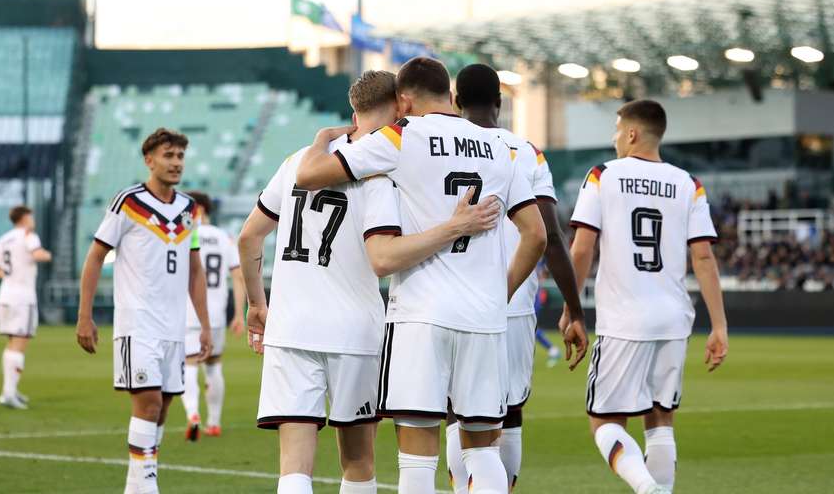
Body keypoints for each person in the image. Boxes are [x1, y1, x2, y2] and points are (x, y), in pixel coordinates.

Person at [239, 70, 501, 494]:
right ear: (400, 106)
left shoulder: (296, 163)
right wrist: (454, 227)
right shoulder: (381, 173)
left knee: (294, 469)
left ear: (353, 112)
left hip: (289, 329)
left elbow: (249, 237)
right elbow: (384, 256)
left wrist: (256, 304)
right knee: (358, 463)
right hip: (356, 333)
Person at [296, 57, 547, 494]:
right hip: (484, 318)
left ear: (404, 100)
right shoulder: (500, 147)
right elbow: (537, 235)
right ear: (450, 95)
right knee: (483, 450)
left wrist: (322, 140)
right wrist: (501, 293)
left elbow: (309, 175)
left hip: (421, 315)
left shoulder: (401, 136)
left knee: (417, 458)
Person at [568, 100, 729, 494]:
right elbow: (703, 257)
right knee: (660, 420)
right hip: (673, 319)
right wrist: (719, 325)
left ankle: (645, 487)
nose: (614, 138)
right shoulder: (689, 183)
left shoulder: (603, 175)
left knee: (604, 422)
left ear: (632, 133)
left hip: (625, 319)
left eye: (617, 130)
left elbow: (583, 248)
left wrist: (572, 309)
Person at [446, 63, 588, 492]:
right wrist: (575, 310)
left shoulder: (439, 145)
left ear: (455, 101)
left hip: (451, 301)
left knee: (457, 412)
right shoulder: (526, 153)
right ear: (499, 102)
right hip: (513, 301)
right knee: (509, 411)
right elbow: (551, 237)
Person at [76, 128, 212, 494]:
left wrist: (204, 325)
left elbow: (194, 270)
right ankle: (147, 486)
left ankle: (136, 486)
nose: (176, 163)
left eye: (180, 156)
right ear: (149, 160)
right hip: (137, 323)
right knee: (149, 403)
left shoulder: (189, 209)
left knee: (163, 408)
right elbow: (95, 257)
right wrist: (84, 315)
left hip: (174, 326)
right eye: (168, 156)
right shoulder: (128, 202)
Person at [180, 191, 245, 441]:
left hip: (188, 311)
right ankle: (214, 422)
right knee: (214, 364)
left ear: (196, 209)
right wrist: (238, 313)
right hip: (216, 314)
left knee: (188, 363)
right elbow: (238, 276)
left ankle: (193, 414)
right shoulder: (224, 238)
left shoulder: (184, 235)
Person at [0, 205, 52, 409]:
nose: (33, 220)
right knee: (19, 343)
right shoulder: (28, 235)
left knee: (12, 343)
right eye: (30, 216)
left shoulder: (3, 239)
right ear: (24, 218)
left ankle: (9, 390)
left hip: (5, 296)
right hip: (23, 298)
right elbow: (38, 255)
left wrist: (9, 275)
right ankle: (8, 394)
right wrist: (48, 255)